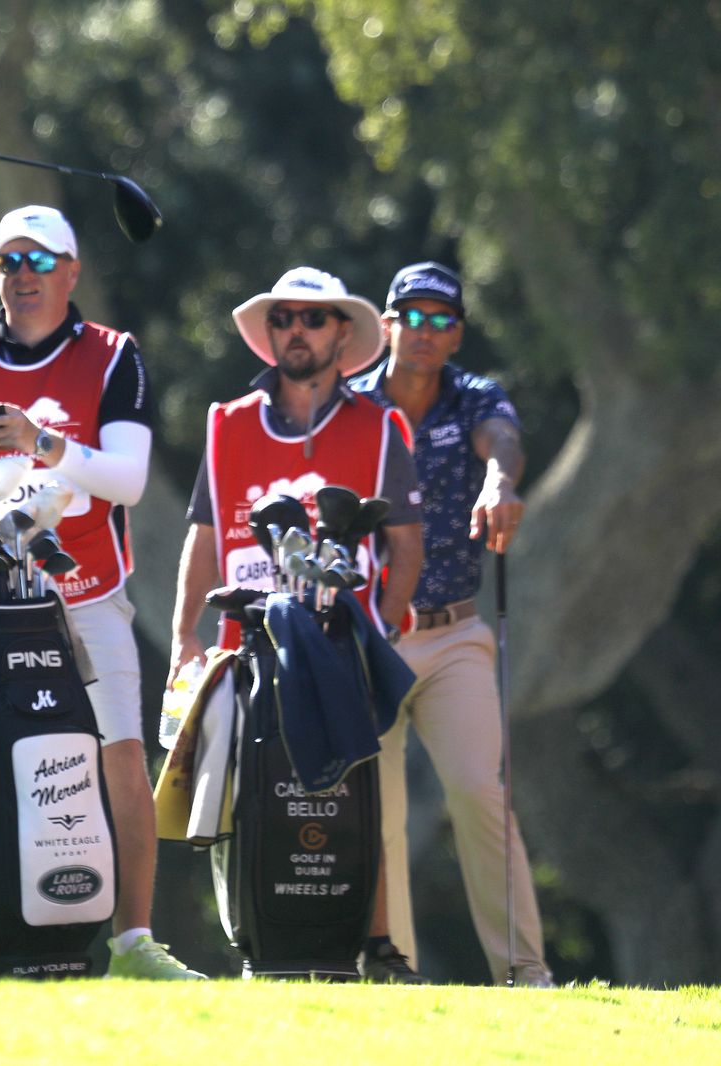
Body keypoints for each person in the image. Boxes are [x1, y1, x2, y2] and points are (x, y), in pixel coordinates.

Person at [0, 204, 201, 980]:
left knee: (121, 753)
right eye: (7, 262)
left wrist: (40, 440)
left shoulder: (112, 357)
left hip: (88, 592)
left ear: (70, 271)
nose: (20, 276)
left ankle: (132, 944)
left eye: (36, 261)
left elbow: (125, 479)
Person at [166, 266, 428, 982]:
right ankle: (258, 937)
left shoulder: (379, 429)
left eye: (313, 320)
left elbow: (406, 544)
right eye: (283, 319)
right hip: (243, 645)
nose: (296, 332)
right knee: (242, 802)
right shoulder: (226, 423)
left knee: (362, 800)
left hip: (342, 647)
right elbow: (207, 536)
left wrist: (385, 623)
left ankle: (369, 942)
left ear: (343, 333)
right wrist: (183, 635)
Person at [350, 261, 553, 987]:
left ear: (457, 333)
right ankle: (391, 967)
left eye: (443, 320)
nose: (427, 332)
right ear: (387, 322)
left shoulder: (474, 398)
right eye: (414, 316)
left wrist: (500, 481)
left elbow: (502, 440)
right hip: (371, 633)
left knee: (477, 789)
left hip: (454, 634)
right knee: (379, 809)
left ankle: (525, 971)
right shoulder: (352, 404)